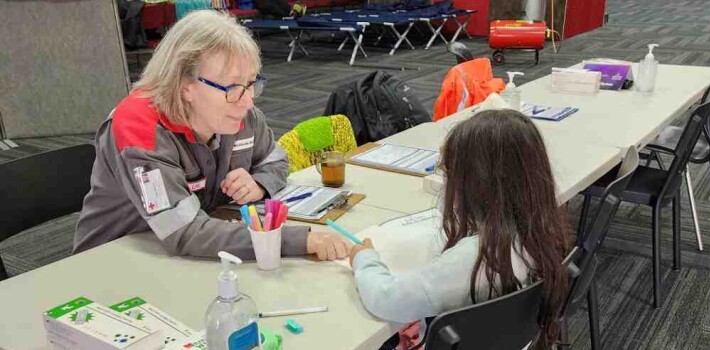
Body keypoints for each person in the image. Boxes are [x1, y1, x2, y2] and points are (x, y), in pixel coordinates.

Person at [74, 10, 351, 261]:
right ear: (185, 86)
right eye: (232, 86)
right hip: (111, 262)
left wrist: (259, 183)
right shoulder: (139, 129)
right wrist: (299, 239)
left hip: (180, 256)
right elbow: (186, 231)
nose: (248, 101)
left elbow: (276, 160)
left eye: (252, 83)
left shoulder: (239, 112)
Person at [349, 110, 571, 349]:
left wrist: (364, 259)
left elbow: (387, 299)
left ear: (476, 184)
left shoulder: (475, 258)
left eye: (450, 173)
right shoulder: (541, 232)